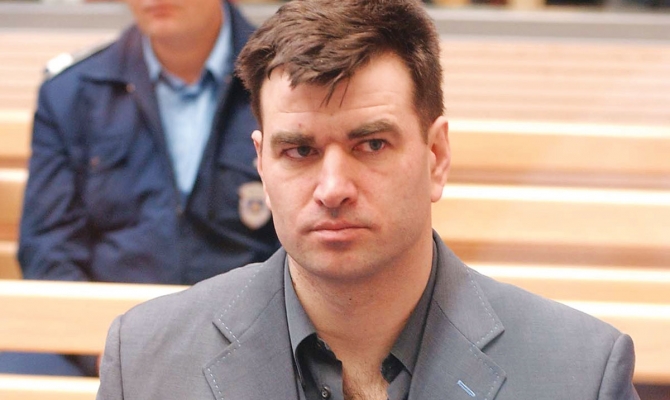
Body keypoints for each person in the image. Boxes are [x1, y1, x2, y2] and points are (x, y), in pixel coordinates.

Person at [97, 1, 640, 399]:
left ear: (436, 156)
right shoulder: (146, 362)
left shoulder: (579, 373)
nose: (333, 188)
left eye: (372, 144)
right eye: (300, 151)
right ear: (261, 164)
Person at [2, 0, 279, 377]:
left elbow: (302, 237)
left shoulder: (282, 79)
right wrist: (105, 351)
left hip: (251, 340)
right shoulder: (73, 91)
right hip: (104, 339)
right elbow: (48, 246)